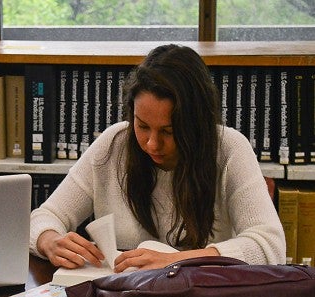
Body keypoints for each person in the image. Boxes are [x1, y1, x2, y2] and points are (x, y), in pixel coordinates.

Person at [30, 44, 285, 272]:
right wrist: (48, 240)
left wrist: (180, 261)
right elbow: (45, 216)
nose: (152, 144)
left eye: (169, 131)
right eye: (142, 126)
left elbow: (270, 247)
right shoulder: (114, 143)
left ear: (196, 124)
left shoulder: (229, 149)